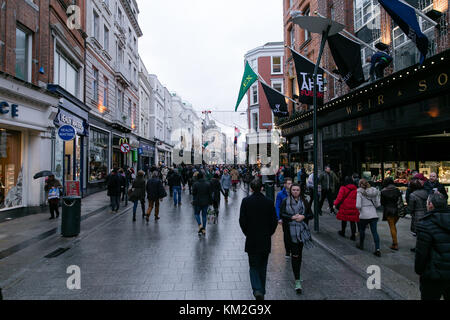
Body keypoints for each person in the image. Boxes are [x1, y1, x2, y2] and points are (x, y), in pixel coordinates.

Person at [239, 179, 278, 301]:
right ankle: (261, 289)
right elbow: (274, 220)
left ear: (251, 188)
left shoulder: (246, 201)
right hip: (265, 239)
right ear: (262, 188)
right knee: (263, 265)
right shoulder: (269, 202)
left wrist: (247, 233)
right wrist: (269, 233)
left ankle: (257, 289)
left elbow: (242, 220)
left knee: (253, 265)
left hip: (252, 239)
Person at [415, 192, 450, 300]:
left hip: (433, 275)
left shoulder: (425, 224)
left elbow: (421, 253)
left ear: (430, 204)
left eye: (427, 203)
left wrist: (420, 271)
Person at [280, 183, 314, 294]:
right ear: (290, 191)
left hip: (302, 232)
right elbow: (282, 214)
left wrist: (303, 216)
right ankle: (297, 280)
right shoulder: (285, 201)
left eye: (297, 190)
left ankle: (297, 274)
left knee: (299, 254)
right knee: (295, 255)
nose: (295, 191)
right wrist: (291, 217)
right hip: (290, 233)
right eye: (293, 190)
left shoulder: (304, 201)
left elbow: (311, 215)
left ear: (300, 191)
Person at [356, 179, 381, 257]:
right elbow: (377, 204)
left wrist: (361, 210)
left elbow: (358, 205)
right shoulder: (374, 191)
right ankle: (377, 249)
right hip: (373, 214)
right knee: (374, 232)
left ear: (360, 185)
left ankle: (361, 244)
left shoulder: (359, 193)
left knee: (362, 230)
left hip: (364, 215)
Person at [334, 176, 360, 241]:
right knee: (352, 221)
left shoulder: (343, 188)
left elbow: (339, 197)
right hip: (353, 207)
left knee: (344, 219)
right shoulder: (356, 189)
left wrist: (335, 203)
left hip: (345, 206)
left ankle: (343, 232)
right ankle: (353, 235)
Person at [381, 177, 402, 251]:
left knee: (392, 227)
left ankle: (395, 243)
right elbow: (400, 200)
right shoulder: (397, 190)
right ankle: (394, 241)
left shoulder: (383, 191)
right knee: (393, 226)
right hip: (397, 210)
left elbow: (382, 203)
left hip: (388, 210)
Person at [408, 178, 429, 252]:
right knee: (425, 231)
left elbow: (411, 207)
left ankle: (419, 247)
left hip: (417, 214)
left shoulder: (412, 195)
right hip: (426, 213)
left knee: (417, 232)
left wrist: (410, 212)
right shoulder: (426, 192)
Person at [275, 178, 293, 259]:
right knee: (286, 235)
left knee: (294, 234)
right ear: (285, 184)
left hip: (294, 216)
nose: (290, 185)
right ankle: (287, 251)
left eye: (291, 183)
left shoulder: (295, 192)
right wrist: (279, 218)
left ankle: (294, 250)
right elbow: (277, 206)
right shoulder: (280, 194)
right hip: (285, 217)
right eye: (288, 183)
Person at [192, 172, 212, 236]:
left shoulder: (195, 184)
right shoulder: (207, 184)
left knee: (196, 214)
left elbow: (193, 193)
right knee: (204, 215)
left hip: (197, 202)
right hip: (205, 202)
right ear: (203, 177)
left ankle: (200, 225)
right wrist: (210, 202)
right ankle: (204, 229)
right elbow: (210, 194)